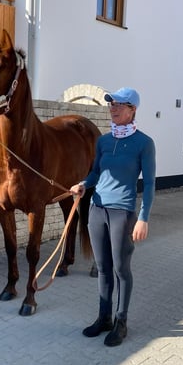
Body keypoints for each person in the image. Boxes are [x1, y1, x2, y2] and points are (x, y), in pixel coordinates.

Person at [70, 87, 156, 347]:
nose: (113, 108)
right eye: (111, 104)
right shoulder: (104, 141)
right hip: (97, 210)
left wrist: (143, 218)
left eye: (119, 104)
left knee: (121, 268)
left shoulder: (144, 143)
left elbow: (149, 184)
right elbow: (96, 172)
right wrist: (84, 184)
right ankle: (104, 318)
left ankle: (121, 322)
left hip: (123, 212)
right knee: (103, 268)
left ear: (132, 109)